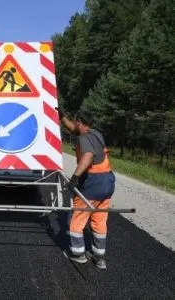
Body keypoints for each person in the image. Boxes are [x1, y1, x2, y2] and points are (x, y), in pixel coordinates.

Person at [56, 107, 115, 269]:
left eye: (76, 122)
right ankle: (99, 257)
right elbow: (76, 130)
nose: (75, 125)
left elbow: (88, 156)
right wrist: (62, 118)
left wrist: (75, 177)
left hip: (93, 183)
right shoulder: (95, 134)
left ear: (80, 122)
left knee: (77, 217)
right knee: (99, 219)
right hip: (108, 182)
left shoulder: (83, 140)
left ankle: (78, 254)